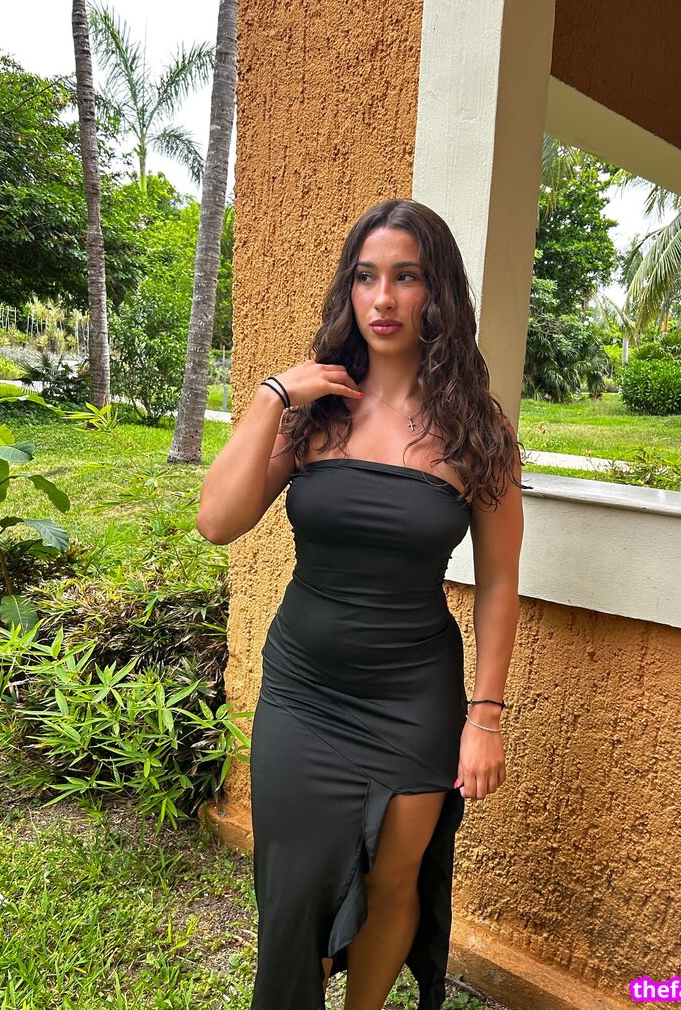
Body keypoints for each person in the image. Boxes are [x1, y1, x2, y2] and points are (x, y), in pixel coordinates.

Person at [196, 198, 523, 1010]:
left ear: (436, 293)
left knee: (392, 882)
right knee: (293, 890)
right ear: (349, 290)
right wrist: (272, 395)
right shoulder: (314, 413)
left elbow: (498, 583)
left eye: (405, 277)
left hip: (413, 698)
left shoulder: (477, 433)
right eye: (366, 277)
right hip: (304, 692)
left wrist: (483, 718)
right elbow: (217, 521)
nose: (382, 299)